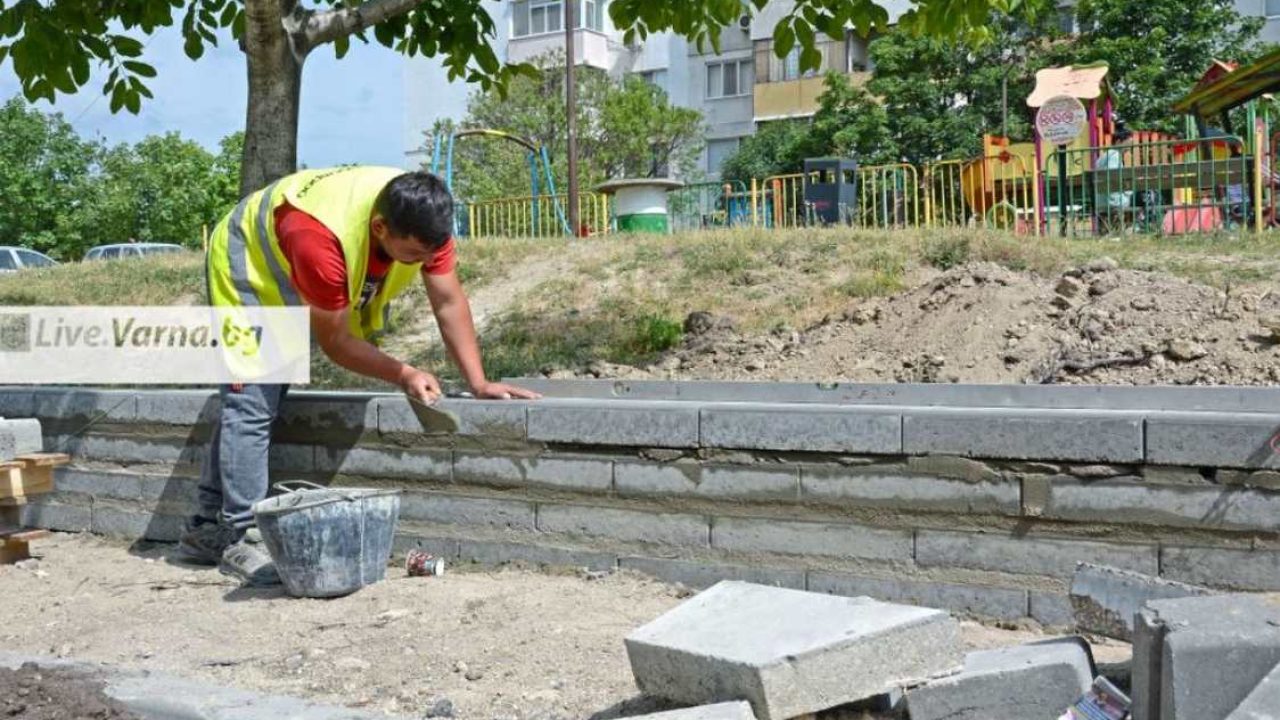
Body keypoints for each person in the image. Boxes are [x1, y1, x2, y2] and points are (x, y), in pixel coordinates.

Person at [179, 166, 539, 585]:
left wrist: (479, 382)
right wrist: (403, 373)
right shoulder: (319, 239)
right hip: (250, 265)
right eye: (414, 255)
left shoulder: (425, 221)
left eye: (430, 254)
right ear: (381, 227)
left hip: (302, 256)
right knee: (254, 394)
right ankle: (241, 535)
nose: (426, 263)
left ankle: (206, 530)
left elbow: (447, 301)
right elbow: (336, 343)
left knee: (258, 401)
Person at [1095, 124, 1134, 234]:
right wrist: (1128, 190)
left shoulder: (1104, 156)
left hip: (1101, 201)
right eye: (1127, 144)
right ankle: (1145, 227)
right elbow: (1113, 176)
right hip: (1114, 201)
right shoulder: (1114, 155)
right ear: (1118, 142)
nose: (1129, 148)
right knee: (1146, 196)